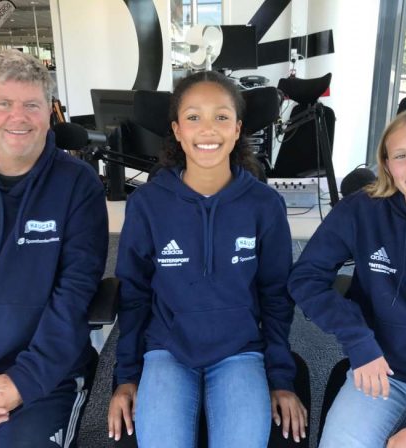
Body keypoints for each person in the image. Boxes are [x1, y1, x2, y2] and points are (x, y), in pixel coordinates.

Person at [108, 70, 307, 447]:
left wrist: (281, 378)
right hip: (167, 350)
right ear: (177, 130)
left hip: (240, 352)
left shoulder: (264, 205)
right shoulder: (147, 204)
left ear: (237, 128)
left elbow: (276, 297)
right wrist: (126, 376)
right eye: (193, 117)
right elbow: (133, 295)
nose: (208, 129)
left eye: (221, 117)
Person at [0, 50, 108, 447]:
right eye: (4, 104)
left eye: (31, 105)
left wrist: (23, 382)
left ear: (49, 112)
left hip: (42, 382)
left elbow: (74, 295)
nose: (18, 117)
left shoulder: (78, 185)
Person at [288, 104, 406, 448]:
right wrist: (358, 340)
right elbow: (305, 278)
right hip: (382, 370)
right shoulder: (363, 209)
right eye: (401, 155)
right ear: (387, 165)